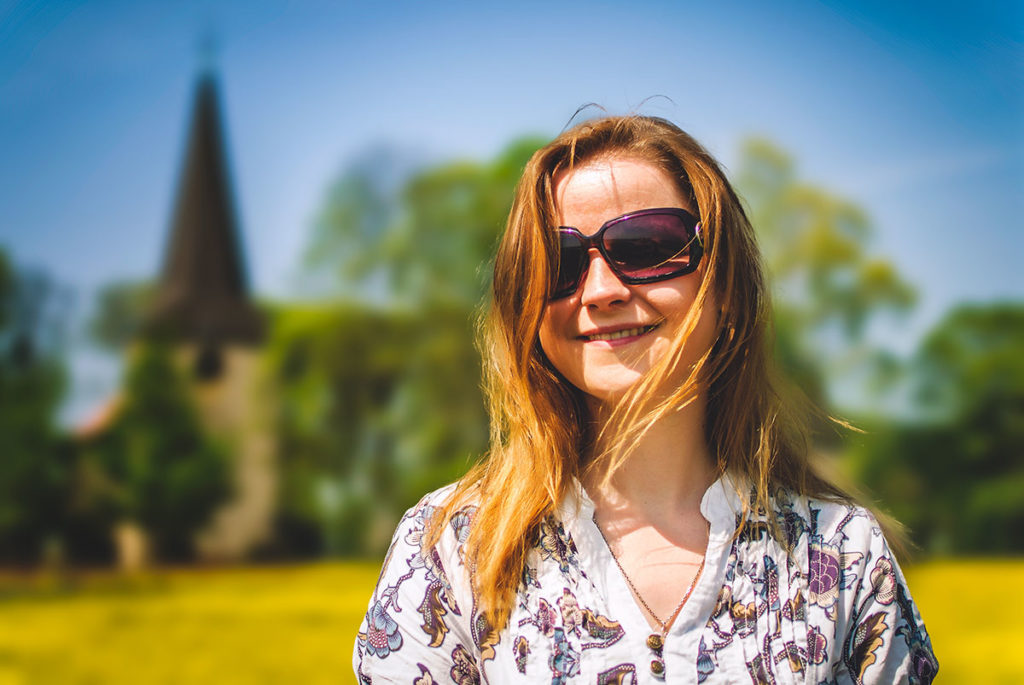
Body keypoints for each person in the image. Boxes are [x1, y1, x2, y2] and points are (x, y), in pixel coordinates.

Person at [353, 116, 938, 684]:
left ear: (727, 284)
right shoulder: (448, 550)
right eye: (558, 262)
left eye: (647, 245)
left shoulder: (842, 555)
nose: (602, 289)